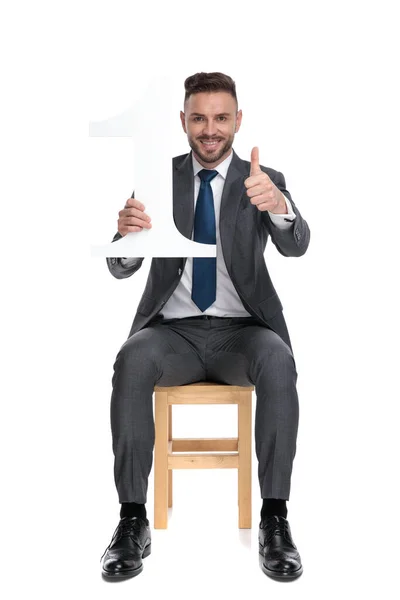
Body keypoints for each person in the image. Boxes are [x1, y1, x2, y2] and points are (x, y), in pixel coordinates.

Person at [100, 72, 311, 581]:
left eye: (221, 118)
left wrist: (279, 207)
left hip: (244, 333)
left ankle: (275, 519)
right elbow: (119, 266)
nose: (210, 130)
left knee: (280, 361)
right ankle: (132, 520)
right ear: (183, 122)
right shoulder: (157, 177)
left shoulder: (263, 179)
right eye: (199, 118)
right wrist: (124, 237)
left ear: (238, 121)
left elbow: (297, 244)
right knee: (131, 360)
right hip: (172, 335)